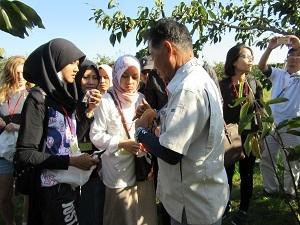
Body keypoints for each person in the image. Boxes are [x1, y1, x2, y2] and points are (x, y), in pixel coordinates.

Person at [134, 18, 229, 225]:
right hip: (203, 193)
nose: (153, 63)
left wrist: (140, 131)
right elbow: (187, 122)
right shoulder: (198, 77)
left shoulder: (188, 88)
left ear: (168, 49)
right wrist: (156, 114)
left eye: (152, 54)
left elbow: (170, 152)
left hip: (192, 204)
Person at [15, 38, 98, 225]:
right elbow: (25, 153)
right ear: (55, 62)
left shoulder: (63, 98)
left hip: (67, 185)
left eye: (78, 63)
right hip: (48, 191)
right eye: (71, 62)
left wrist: (89, 112)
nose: (77, 68)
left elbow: (71, 139)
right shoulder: (38, 99)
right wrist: (72, 161)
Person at [90, 55, 157, 225]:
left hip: (142, 167)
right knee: (120, 215)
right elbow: (95, 135)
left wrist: (150, 115)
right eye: (125, 76)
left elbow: (150, 130)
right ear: (117, 75)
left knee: (143, 213)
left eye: (134, 77)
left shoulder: (141, 98)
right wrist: (121, 143)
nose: (130, 82)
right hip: (118, 170)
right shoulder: (106, 101)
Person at [258, 35, 300, 198]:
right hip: (272, 124)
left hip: (293, 125)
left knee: (292, 161)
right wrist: (270, 48)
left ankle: (291, 191)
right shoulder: (278, 74)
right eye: (290, 56)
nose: (293, 59)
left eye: (297, 56)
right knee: (267, 156)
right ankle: (270, 188)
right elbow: (262, 66)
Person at [75, 59, 104, 225]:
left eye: (95, 77)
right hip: (78, 161)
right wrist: (89, 111)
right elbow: (76, 136)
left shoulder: (103, 100)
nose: (91, 82)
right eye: (86, 77)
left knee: (96, 203)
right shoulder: (71, 102)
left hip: (99, 160)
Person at [0, 56, 28, 225]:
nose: (20, 77)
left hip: (25, 150)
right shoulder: (2, 95)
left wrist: (17, 127)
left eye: (23, 73)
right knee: (3, 197)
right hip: (4, 151)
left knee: (27, 194)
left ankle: (26, 222)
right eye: (16, 72)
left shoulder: (33, 95)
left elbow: (39, 124)